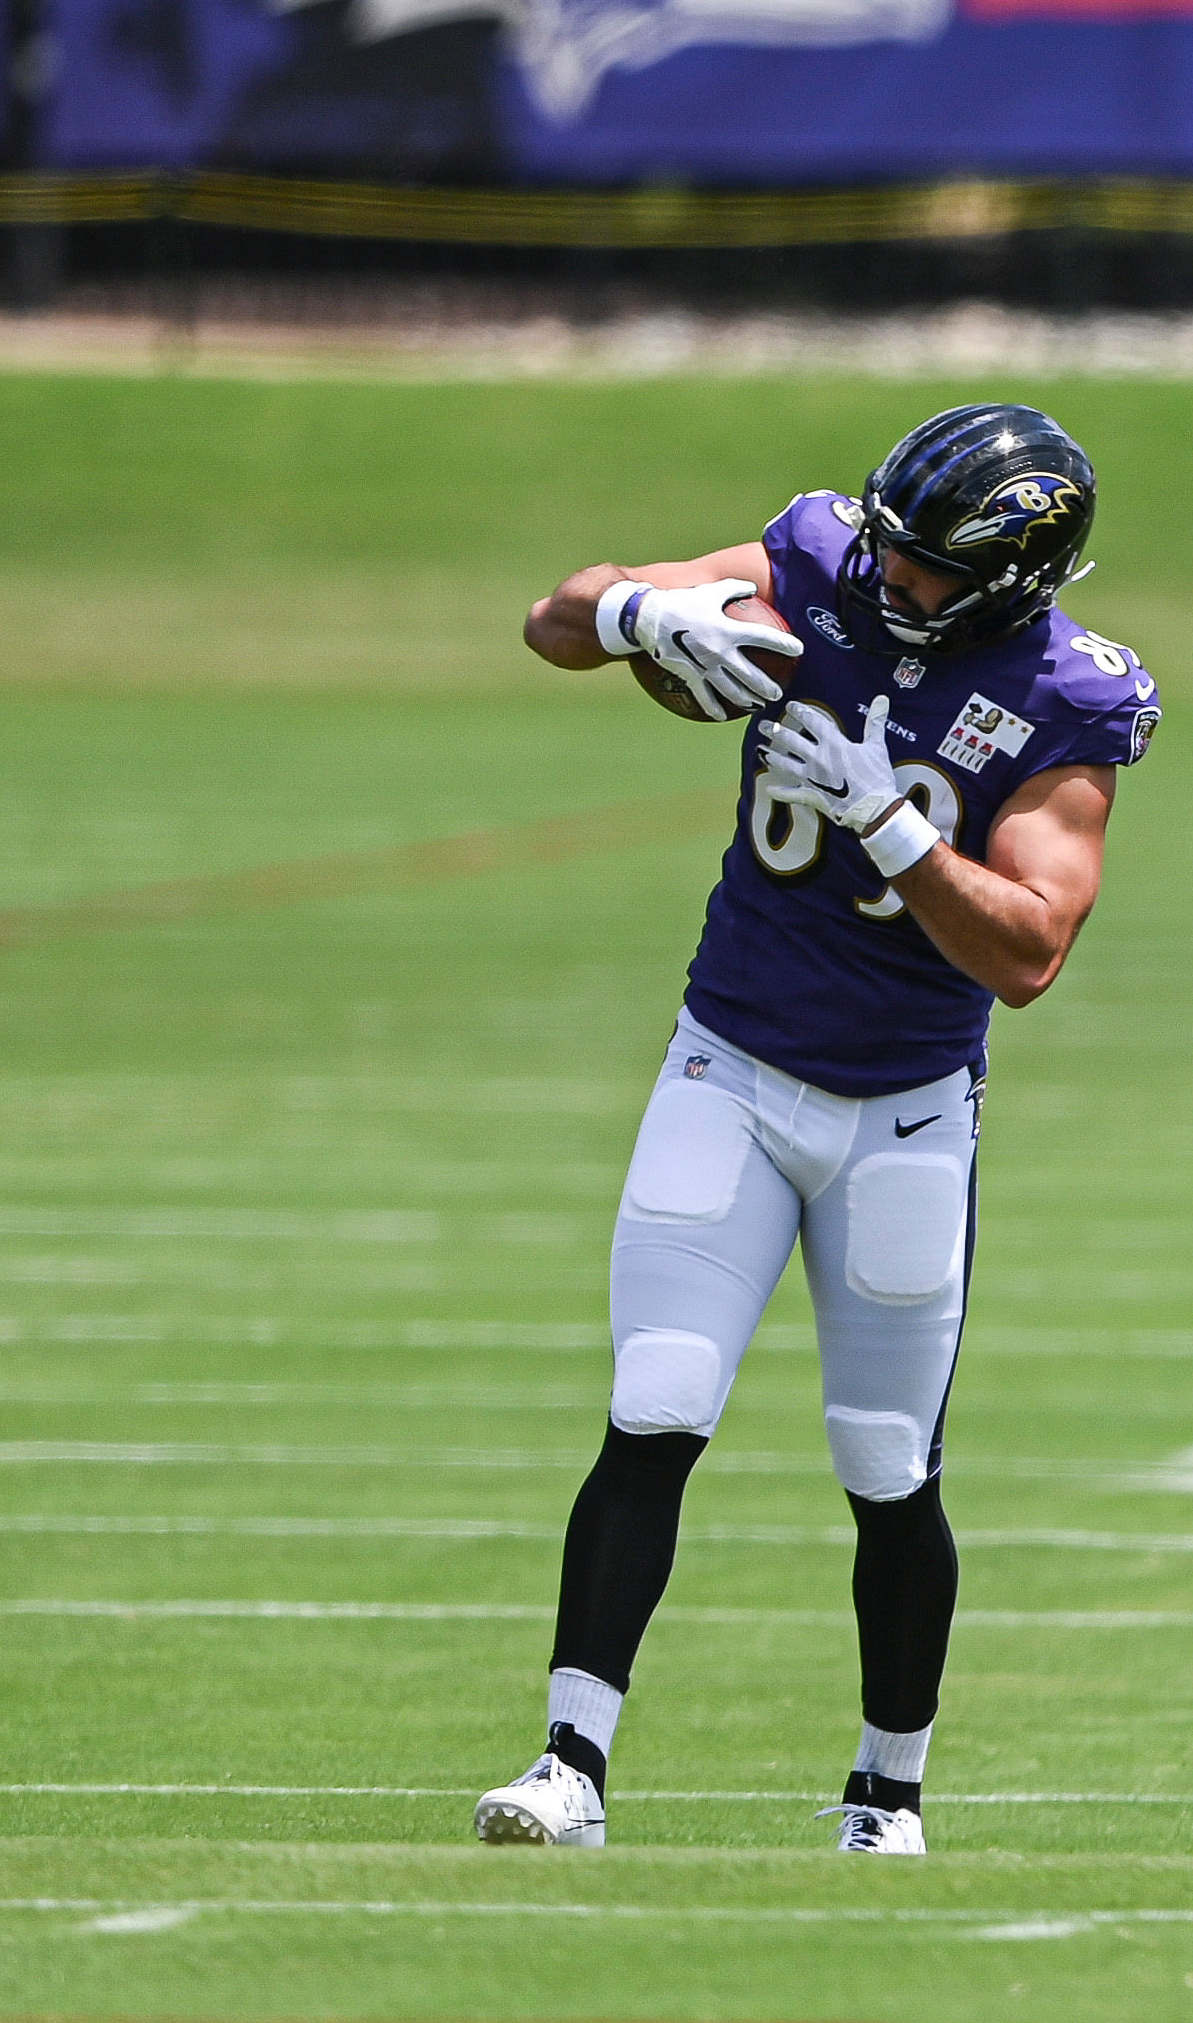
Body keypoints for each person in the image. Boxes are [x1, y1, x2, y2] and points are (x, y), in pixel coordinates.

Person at [472, 403, 1158, 1855]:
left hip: (905, 1114)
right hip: (729, 1061)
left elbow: (1032, 952)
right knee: (655, 1405)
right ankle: (570, 1765)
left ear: (1013, 579)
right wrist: (648, 616)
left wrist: (896, 828)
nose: (888, 581)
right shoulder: (819, 559)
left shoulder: (1064, 696)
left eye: (924, 568)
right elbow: (554, 619)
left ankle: (884, 1795)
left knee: (886, 1462)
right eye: (889, 546)